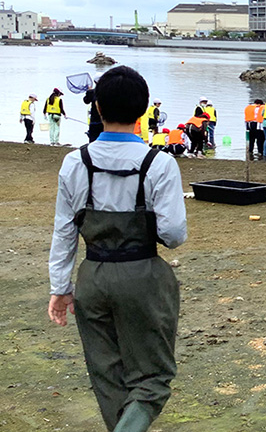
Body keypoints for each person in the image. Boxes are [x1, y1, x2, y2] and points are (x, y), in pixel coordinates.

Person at [47, 65, 187, 431]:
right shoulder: (160, 163)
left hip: (92, 275)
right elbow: (173, 234)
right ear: (142, 111)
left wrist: (60, 287)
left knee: (108, 377)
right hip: (142, 275)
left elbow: (64, 231)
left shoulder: (75, 162)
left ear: (98, 109)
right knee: (152, 379)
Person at [84, 73, 104, 142]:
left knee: (93, 140)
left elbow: (86, 101)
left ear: (95, 82)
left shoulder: (92, 92)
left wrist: (88, 91)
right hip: (105, 121)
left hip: (94, 121)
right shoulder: (107, 92)